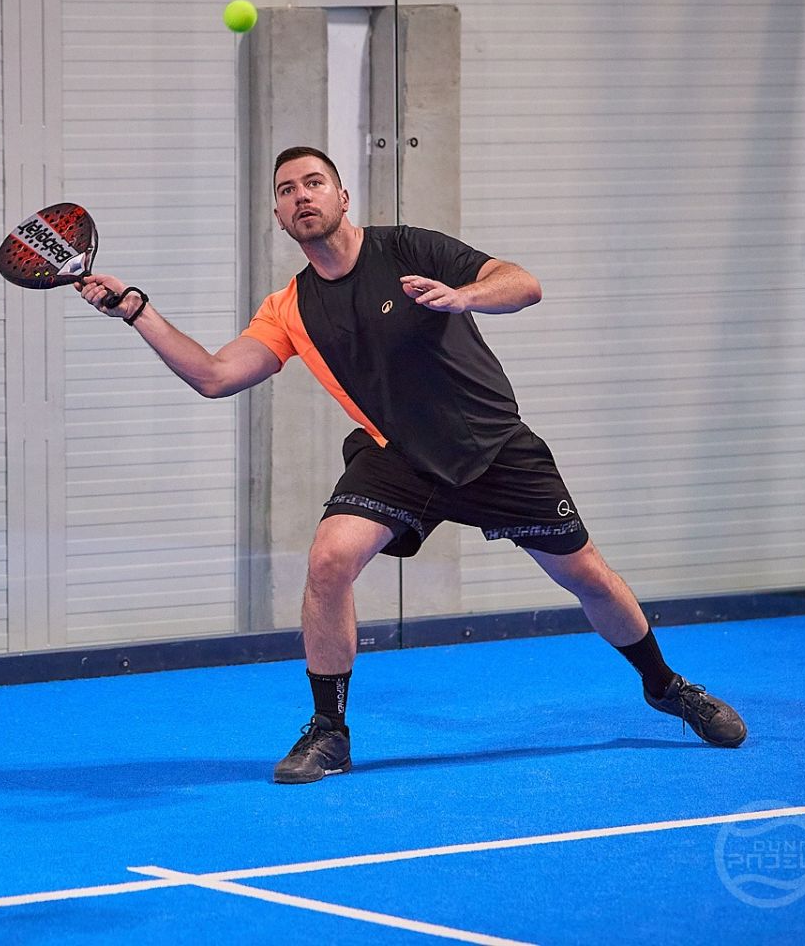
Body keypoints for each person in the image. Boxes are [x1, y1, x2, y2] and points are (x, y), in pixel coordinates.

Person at [76, 145, 746, 784]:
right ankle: (329, 730)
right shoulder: (289, 308)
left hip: (491, 446)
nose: (302, 196)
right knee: (328, 561)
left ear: (342, 196)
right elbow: (216, 376)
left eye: (314, 183)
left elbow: (524, 284)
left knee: (588, 575)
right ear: (278, 216)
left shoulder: (407, 249)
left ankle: (665, 685)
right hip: (397, 456)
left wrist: (465, 296)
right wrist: (137, 310)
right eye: (287, 190)